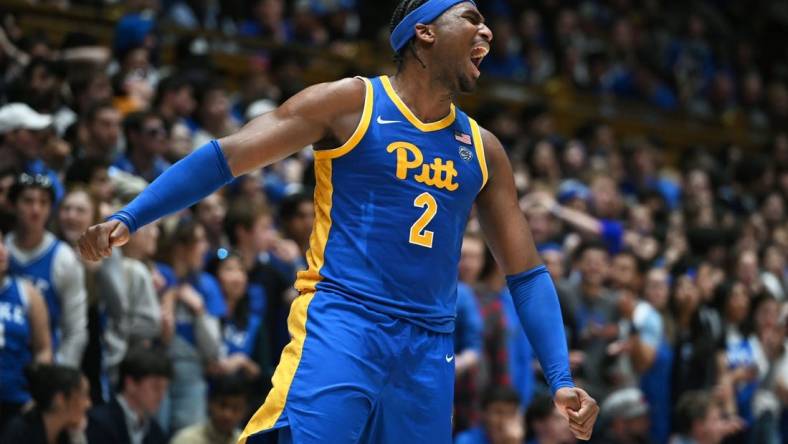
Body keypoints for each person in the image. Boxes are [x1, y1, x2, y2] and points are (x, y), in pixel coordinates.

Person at [78, 1, 599, 442]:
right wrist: (133, 214)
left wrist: (560, 377)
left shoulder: (484, 149)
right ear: (424, 32)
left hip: (429, 348)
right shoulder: (352, 103)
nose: (487, 30)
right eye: (470, 17)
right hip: (345, 319)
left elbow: (526, 273)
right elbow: (227, 155)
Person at [6, 173, 88, 367]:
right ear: (13, 205)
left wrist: (61, 373)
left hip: (46, 364)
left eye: (43, 202)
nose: (36, 209)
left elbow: (76, 328)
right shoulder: (4, 250)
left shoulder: (63, 257)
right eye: (28, 201)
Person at [0, 230, 52, 430]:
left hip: (18, 401)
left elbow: (43, 349)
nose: (1, 250)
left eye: (3, 242)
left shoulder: (27, 292)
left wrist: (36, 396)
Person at [85, 345, 171, 444]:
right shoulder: (98, 424)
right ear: (131, 384)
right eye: (156, 387)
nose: (161, 396)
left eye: (165, 389)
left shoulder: (156, 431)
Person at [0, 364, 92, 444]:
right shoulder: (21, 432)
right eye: (83, 395)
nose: (89, 404)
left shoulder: (70, 433)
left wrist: (76, 437)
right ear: (59, 399)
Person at [169, 374, 249, 444]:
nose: (227, 414)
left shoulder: (246, 441)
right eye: (222, 405)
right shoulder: (185, 440)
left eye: (236, 408)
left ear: (244, 410)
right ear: (209, 403)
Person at [454, 386, 525, 444]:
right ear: (483, 414)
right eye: (499, 412)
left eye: (511, 413)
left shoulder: (523, 439)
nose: (504, 419)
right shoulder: (466, 440)